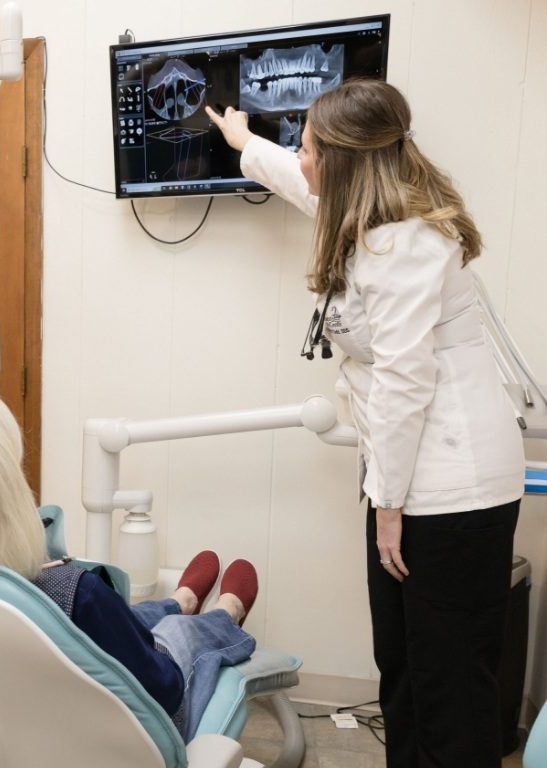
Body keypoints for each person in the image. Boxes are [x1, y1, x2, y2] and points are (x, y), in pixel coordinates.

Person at [206, 79, 525, 768]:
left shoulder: (408, 245)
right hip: (408, 480)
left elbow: (407, 383)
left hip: (452, 490)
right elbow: (290, 180)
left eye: (310, 147)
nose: (301, 157)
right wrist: (241, 140)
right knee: (403, 668)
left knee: (449, 686)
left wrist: (387, 506)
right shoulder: (355, 220)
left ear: (347, 161)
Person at [0, 383, 259, 743]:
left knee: (133, 618)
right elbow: (166, 691)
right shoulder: (76, 594)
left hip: (17, 737)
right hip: (133, 740)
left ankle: (180, 601)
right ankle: (224, 614)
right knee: (176, 632)